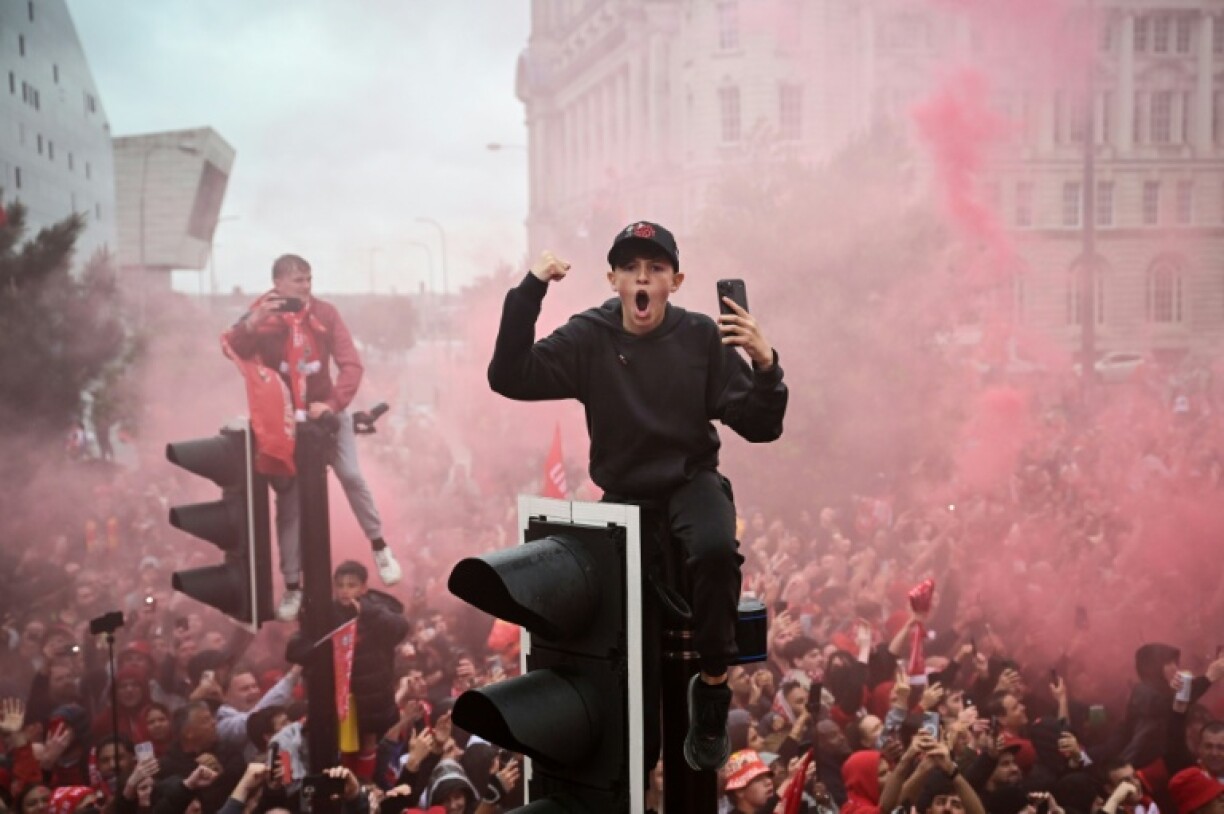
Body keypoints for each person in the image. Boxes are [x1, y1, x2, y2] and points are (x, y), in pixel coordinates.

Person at [488, 221, 789, 772]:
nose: (642, 279)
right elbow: (509, 375)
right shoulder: (589, 335)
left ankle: (714, 692)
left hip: (689, 480)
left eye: (655, 268)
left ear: (676, 280)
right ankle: (631, 754)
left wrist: (767, 366)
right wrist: (530, 287)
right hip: (623, 495)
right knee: (618, 628)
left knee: (717, 550)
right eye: (630, 268)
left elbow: (761, 426)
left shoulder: (701, 336)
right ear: (613, 280)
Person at [224, 253, 403, 620]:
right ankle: (292, 585)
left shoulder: (326, 314)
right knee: (288, 500)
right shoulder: (260, 314)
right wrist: (254, 323)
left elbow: (351, 364)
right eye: (297, 281)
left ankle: (381, 547)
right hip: (285, 422)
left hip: (327, 416)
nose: (305, 287)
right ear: (277, 284)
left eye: (308, 279)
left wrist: (334, 403)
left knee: (351, 475)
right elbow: (234, 348)